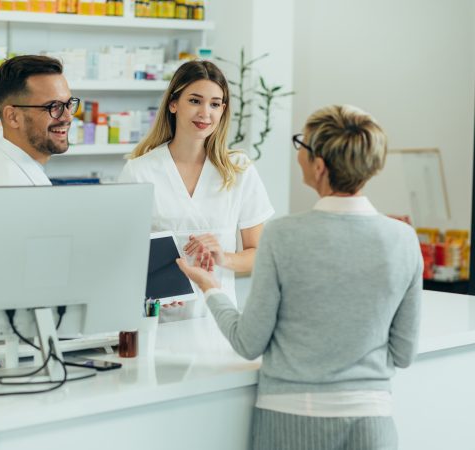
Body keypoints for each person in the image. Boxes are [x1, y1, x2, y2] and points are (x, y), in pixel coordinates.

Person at [177, 105, 423, 449]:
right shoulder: (403, 239)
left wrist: (210, 287)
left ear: (319, 167)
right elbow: (404, 353)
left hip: (291, 421)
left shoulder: (284, 236)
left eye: (301, 146)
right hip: (372, 425)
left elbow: (248, 343)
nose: (298, 155)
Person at [118, 60, 274, 320]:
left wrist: (224, 258)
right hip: (158, 321)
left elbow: (258, 254)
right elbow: (120, 252)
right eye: (195, 101)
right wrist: (147, 286)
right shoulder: (139, 171)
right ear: (173, 103)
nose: (205, 113)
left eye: (214, 104)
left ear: (223, 110)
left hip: (220, 320)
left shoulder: (238, 169)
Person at [0, 55, 79, 186]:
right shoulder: (10, 184)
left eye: (69, 104)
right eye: (53, 106)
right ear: (13, 117)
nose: (68, 117)